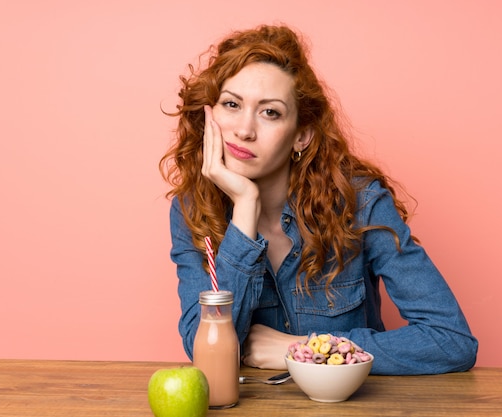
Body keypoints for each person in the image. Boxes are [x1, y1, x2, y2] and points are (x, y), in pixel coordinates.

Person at [159, 24, 478, 375]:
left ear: (302, 136)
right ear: (209, 115)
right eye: (232, 104)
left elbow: (451, 341)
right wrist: (245, 210)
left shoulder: (360, 201)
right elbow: (205, 351)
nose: (245, 130)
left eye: (270, 113)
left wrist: (304, 348)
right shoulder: (192, 211)